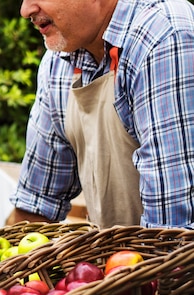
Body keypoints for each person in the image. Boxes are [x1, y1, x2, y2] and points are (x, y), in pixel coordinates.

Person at [10, 0, 194, 229]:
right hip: (122, 262)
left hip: (164, 260)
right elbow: (35, 209)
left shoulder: (162, 35)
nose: (26, 10)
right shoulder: (58, 62)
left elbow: (172, 233)